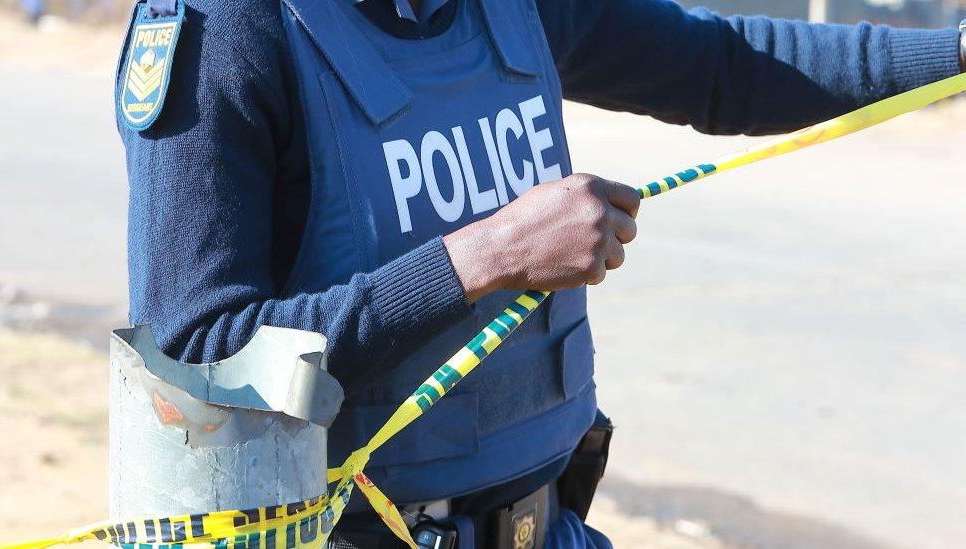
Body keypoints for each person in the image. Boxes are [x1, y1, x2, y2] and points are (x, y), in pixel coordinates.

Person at [114, 0, 966, 546]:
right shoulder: (226, 31)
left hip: (550, 524)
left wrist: (956, 56)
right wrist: (488, 256)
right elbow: (196, 355)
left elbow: (721, 66)